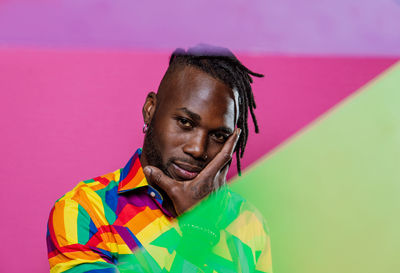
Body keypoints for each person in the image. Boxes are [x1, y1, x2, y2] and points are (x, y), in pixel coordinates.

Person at [47, 44, 273, 273]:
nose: (197, 149)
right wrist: (198, 234)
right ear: (150, 109)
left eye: (218, 135)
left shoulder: (247, 222)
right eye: (185, 122)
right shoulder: (85, 211)